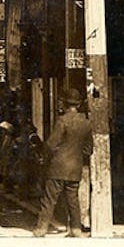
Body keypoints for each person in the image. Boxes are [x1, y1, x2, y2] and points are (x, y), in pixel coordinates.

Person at [33, 88, 92, 237]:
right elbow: (88, 149)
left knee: (49, 199)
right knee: (73, 200)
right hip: (75, 168)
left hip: (57, 167)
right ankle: (76, 229)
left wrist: (45, 154)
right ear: (78, 105)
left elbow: (51, 144)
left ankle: (41, 229)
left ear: (65, 104)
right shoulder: (86, 123)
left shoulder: (62, 120)